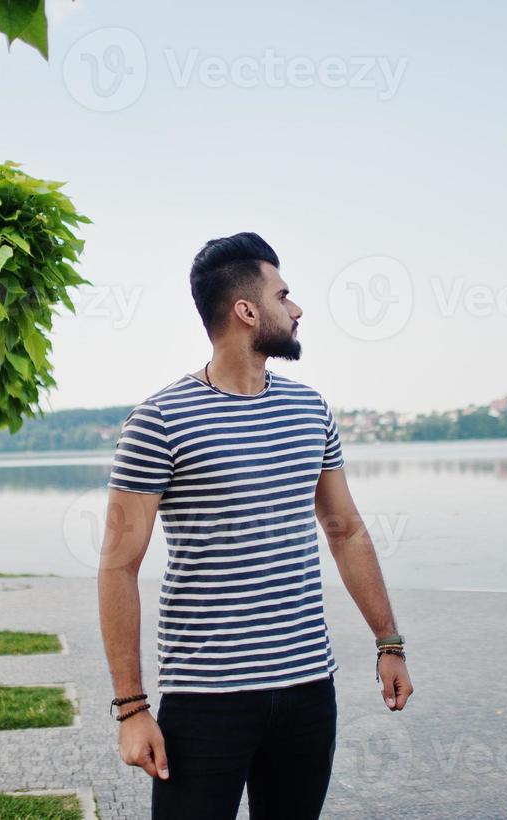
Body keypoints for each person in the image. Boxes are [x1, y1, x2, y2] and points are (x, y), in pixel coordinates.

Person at [97, 231, 414, 820]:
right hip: (204, 698)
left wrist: (388, 641)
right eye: (284, 295)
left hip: (307, 689)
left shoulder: (309, 409)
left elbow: (345, 531)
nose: (296, 309)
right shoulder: (159, 421)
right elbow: (119, 565)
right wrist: (132, 708)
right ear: (246, 311)